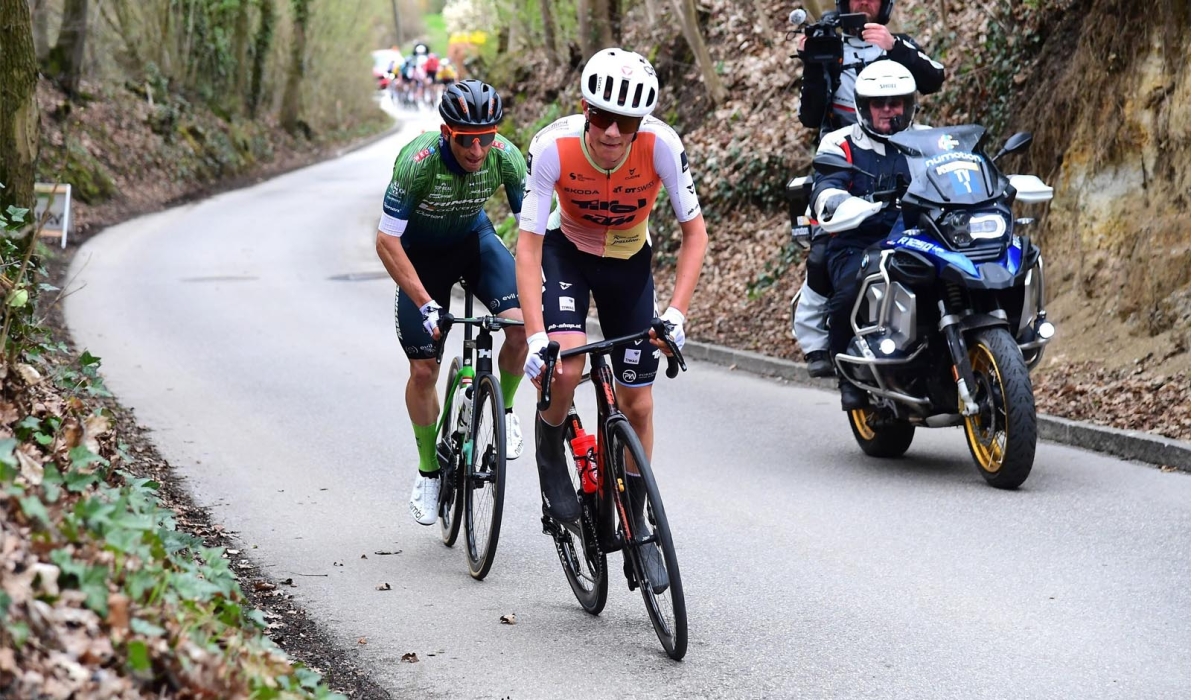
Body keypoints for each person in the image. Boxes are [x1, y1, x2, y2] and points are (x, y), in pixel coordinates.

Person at [516, 48, 708, 588]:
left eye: (625, 123)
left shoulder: (662, 146)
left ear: (639, 124)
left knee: (638, 402)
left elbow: (695, 234)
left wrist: (676, 313)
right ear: (584, 109)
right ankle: (550, 447)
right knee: (567, 365)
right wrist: (534, 337)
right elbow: (528, 247)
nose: (610, 134)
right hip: (568, 254)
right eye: (600, 118)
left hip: (629, 262)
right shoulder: (551, 147)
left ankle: (639, 523)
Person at [375, 80, 529, 526]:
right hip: (420, 258)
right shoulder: (417, 162)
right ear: (447, 132)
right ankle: (427, 471)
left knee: (519, 329)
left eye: (487, 137)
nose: (478, 149)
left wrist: (542, 286)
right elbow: (386, 240)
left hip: (473, 242)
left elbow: (535, 232)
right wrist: (424, 302)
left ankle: (504, 409)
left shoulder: (506, 156)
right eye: (467, 139)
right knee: (425, 368)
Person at [793, 0, 944, 379]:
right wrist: (813, 62)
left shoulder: (898, 43)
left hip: (905, 153)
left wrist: (894, 47)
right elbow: (810, 115)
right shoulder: (828, 46)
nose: (864, 3)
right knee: (829, 254)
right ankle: (828, 349)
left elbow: (935, 79)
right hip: (847, 159)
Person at [811, 60, 921, 410]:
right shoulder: (839, 142)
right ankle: (846, 369)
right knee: (850, 291)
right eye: (879, 104)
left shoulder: (928, 139)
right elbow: (825, 185)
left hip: (920, 236)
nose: (889, 110)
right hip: (858, 238)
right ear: (863, 107)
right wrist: (836, 201)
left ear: (909, 104)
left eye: (896, 103)